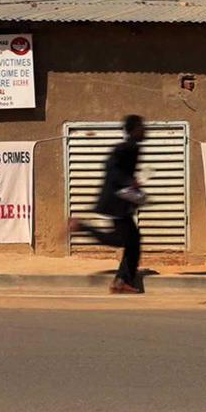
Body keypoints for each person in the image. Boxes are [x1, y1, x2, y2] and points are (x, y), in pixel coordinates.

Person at [69, 115, 147, 294]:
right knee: (121, 240)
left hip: (120, 202)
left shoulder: (133, 148)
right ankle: (82, 227)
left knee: (133, 241)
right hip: (115, 203)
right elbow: (111, 167)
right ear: (134, 129)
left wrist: (132, 185)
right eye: (142, 127)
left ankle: (121, 281)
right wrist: (130, 182)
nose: (145, 131)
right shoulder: (127, 147)